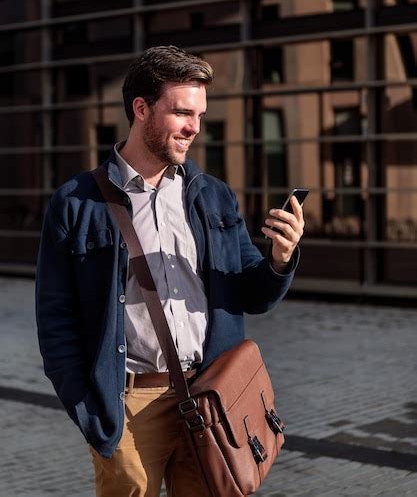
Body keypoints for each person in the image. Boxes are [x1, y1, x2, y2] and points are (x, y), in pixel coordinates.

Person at [36, 45, 304, 497]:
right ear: (141, 109)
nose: (194, 128)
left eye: (198, 114)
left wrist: (280, 259)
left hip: (211, 398)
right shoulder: (77, 203)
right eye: (182, 113)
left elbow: (252, 295)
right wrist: (91, 411)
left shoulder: (213, 196)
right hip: (128, 406)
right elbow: (55, 319)